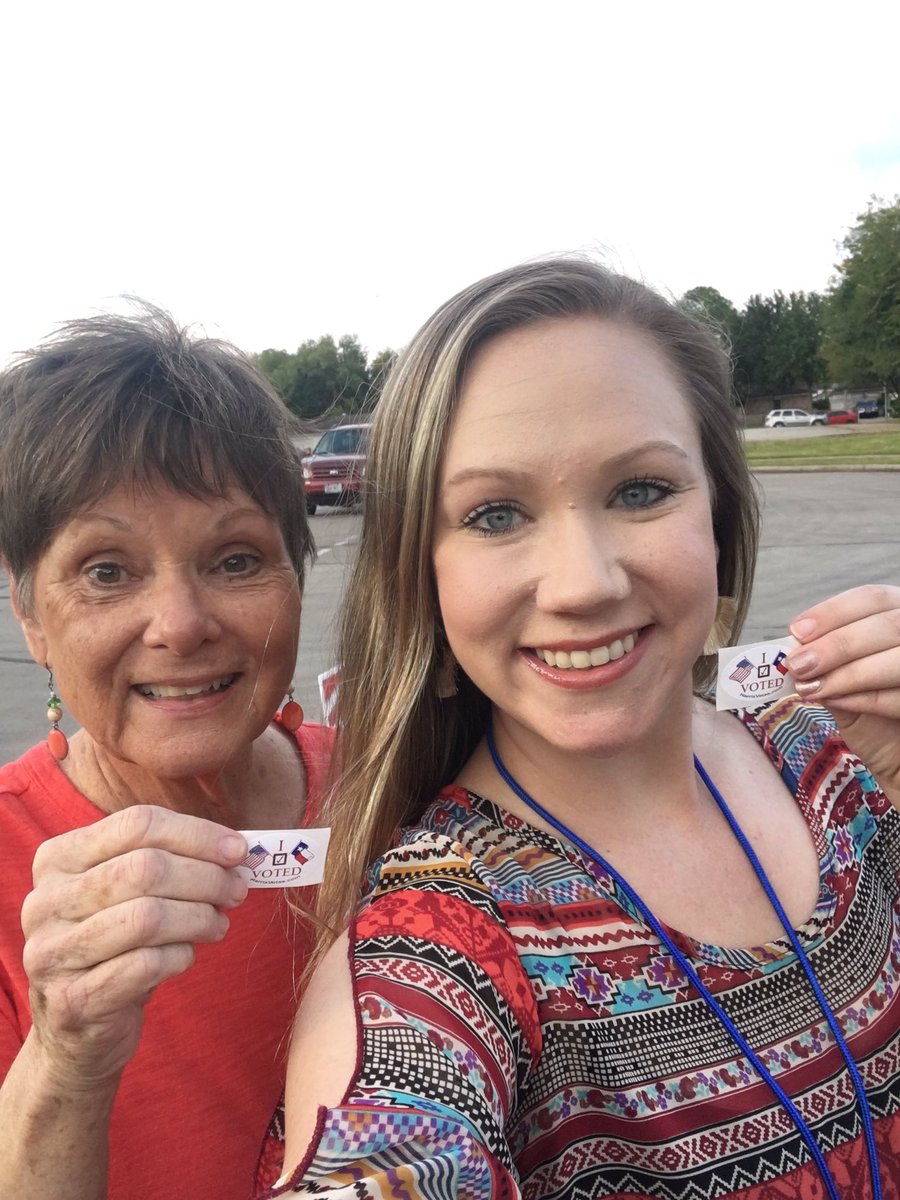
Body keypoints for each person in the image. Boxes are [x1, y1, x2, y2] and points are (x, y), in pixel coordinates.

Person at [257, 259, 900, 1199]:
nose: (584, 583)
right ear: (421, 578)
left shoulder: (832, 760)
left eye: (640, 491)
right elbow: (391, 1145)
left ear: (719, 512)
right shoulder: (438, 944)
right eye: (496, 514)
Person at [0, 306, 332, 1200]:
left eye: (235, 560)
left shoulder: (403, 785)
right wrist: (65, 1057)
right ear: (30, 614)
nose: (181, 626)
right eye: (107, 570)